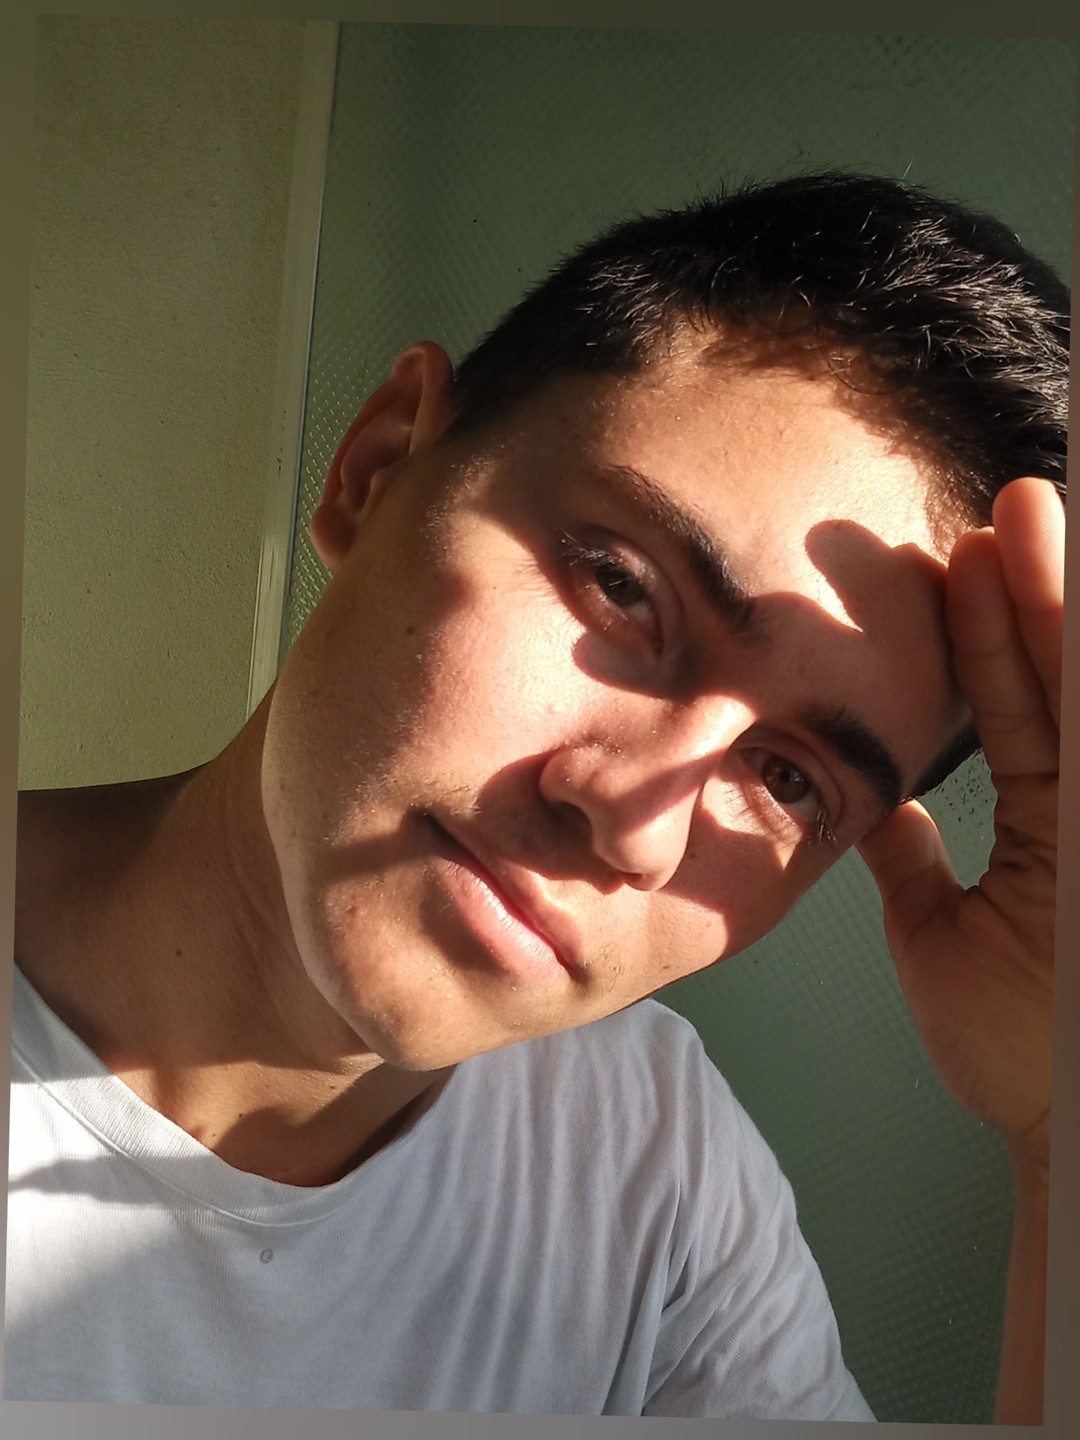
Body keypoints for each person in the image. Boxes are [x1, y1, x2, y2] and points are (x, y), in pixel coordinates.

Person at [8, 172, 1064, 1420]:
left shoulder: (653, 1175)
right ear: (379, 465)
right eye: (622, 588)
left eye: (787, 780)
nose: (634, 823)